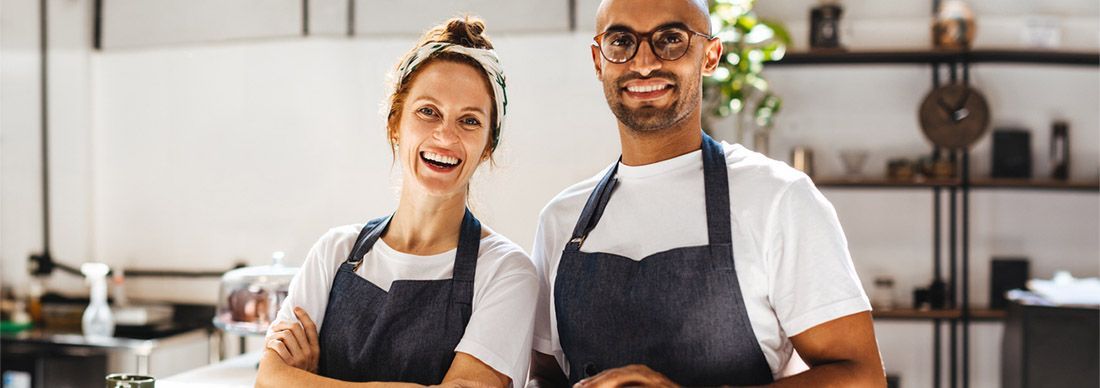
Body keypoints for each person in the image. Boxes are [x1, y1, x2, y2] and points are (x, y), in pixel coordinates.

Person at [526, 0, 886, 387]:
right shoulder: (561, 220)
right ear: (599, 61)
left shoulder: (778, 199)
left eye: (671, 39)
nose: (644, 61)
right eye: (620, 41)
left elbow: (861, 377)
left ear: (710, 55)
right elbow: (545, 376)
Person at [255, 17, 537, 388]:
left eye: (469, 120)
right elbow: (268, 379)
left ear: (487, 146)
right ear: (395, 123)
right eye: (428, 111)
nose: (445, 135)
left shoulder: (506, 272)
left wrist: (306, 381)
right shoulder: (335, 252)